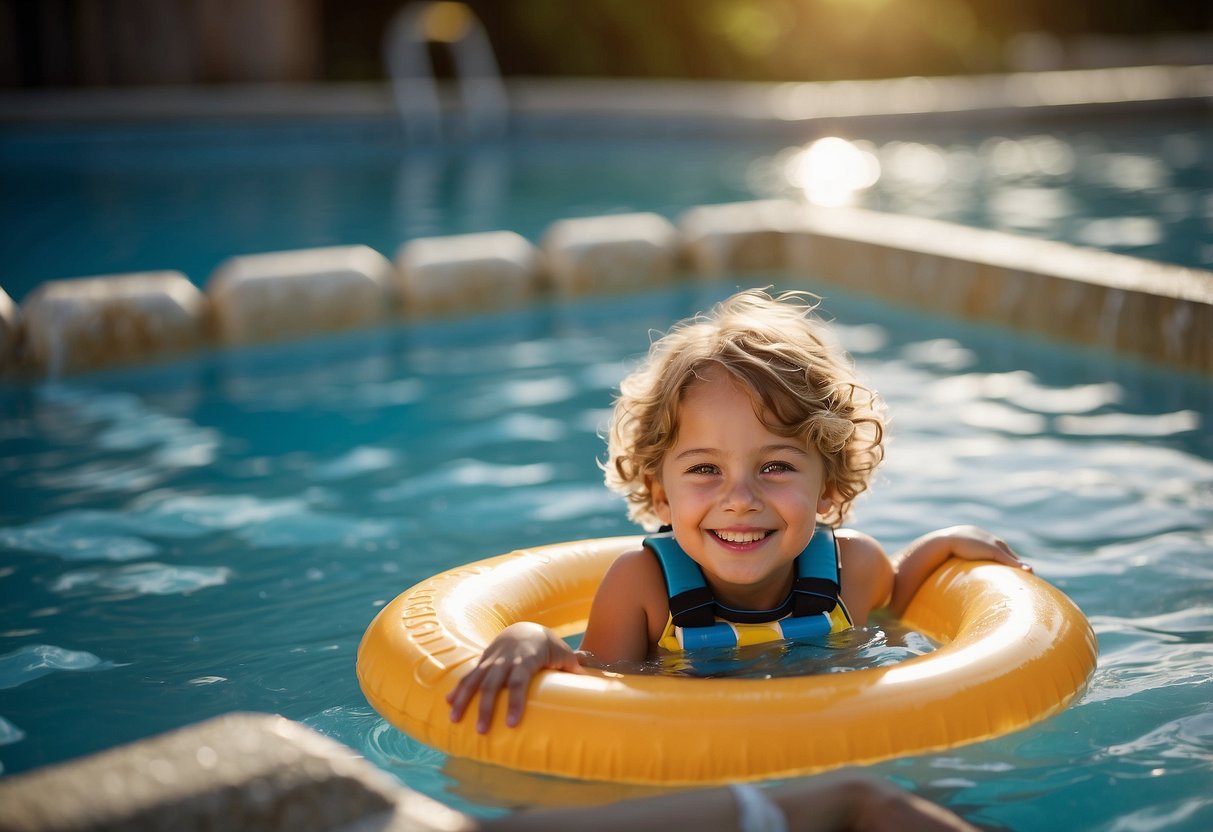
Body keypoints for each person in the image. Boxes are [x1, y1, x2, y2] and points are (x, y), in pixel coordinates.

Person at [447, 288, 1029, 734]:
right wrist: (531, 638)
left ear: (827, 488)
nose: (741, 497)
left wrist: (942, 545)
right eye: (704, 470)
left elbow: (898, 602)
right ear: (660, 492)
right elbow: (601, 691)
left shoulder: (852, 567)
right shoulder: (644, 587)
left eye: (775, 466)